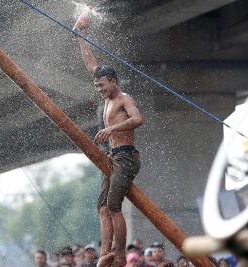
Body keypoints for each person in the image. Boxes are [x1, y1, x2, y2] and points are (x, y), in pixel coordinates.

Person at [74, 9, 144, 267]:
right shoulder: (104, 91)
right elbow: (91, 65)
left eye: (103, 86)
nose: (100, 90)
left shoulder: (124, 99)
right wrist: (80, 36)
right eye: (97, 86)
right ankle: (106, 251)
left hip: (126, 157)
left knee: (114, 207)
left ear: (113, 82)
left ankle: (122, 253)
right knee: (101, 207)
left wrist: (111, 130)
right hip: (112, 156)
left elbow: (138, 120)